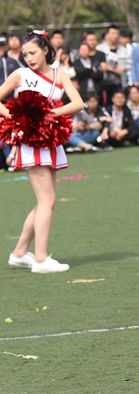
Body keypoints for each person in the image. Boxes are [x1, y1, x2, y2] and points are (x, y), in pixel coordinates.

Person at [1, 28, 84, 273]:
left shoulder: (60, 74)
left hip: (51, 139)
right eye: (25, 54)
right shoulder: (20, 74)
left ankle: (19, 253)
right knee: (47, 200)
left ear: (46, 50)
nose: (29, 58)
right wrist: (16, 116)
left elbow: (78, 103)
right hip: (31, 142)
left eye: (33, 52)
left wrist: (49, 114)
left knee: (45, 201)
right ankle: (40, 260)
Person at [97, 25, 131, 106]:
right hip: (104, 83)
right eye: (112, 33)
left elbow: (130, 64)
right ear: (107, 35)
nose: (115, 36)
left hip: (119, 82)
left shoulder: (124, 50)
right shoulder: (100, 49)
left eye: (116, 34)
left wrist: (123, 68)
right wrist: (106, 68)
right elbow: (96, 64)